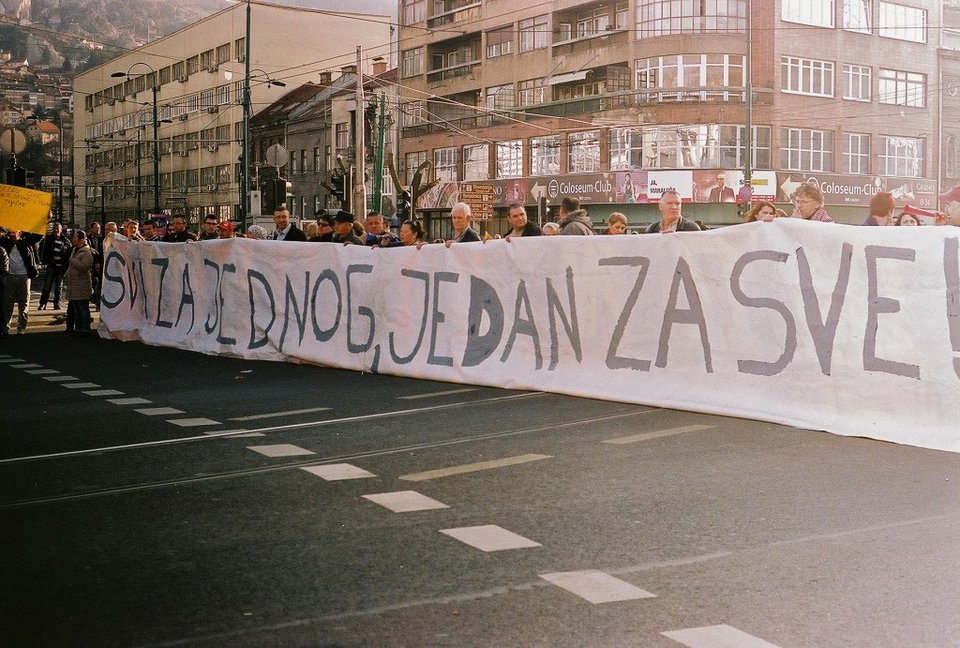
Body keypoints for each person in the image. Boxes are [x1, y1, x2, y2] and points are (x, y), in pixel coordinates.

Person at [1, 228, 41, 337]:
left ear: (20, 233)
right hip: (9, 277)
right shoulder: (6, 242)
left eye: (14, 232)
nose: (12, 234)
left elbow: (38, 236)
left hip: (24, 276)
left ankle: (21, 327)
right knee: (7, 304)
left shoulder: (24, 242)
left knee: (23, 304)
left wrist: (44, 221)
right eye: (10, 232)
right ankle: (5, 327)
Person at [63, 229, 94, 337]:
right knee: (76, 308)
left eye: (75, 237)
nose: (73, 239)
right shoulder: (74, 250)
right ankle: (78, 328)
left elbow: (85, 266)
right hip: (74, 283)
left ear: (81, 240)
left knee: (83, 308)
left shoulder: (86, 252)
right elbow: (70, 267)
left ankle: (85, 328)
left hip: (82, 284)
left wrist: (72, 260)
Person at [38, 222, 71, 310]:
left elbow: (69, 253)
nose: (56, 230)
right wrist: (45, 260)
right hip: (51, 265)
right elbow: (41, 250)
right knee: (47, 285)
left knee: (58, 287)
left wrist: (66, 265)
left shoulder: (66, 241)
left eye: (57, 228)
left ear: (61, 230)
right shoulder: (48, 239)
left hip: (61, 267)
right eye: (54, 228)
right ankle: (43, 303)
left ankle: (56, 303)